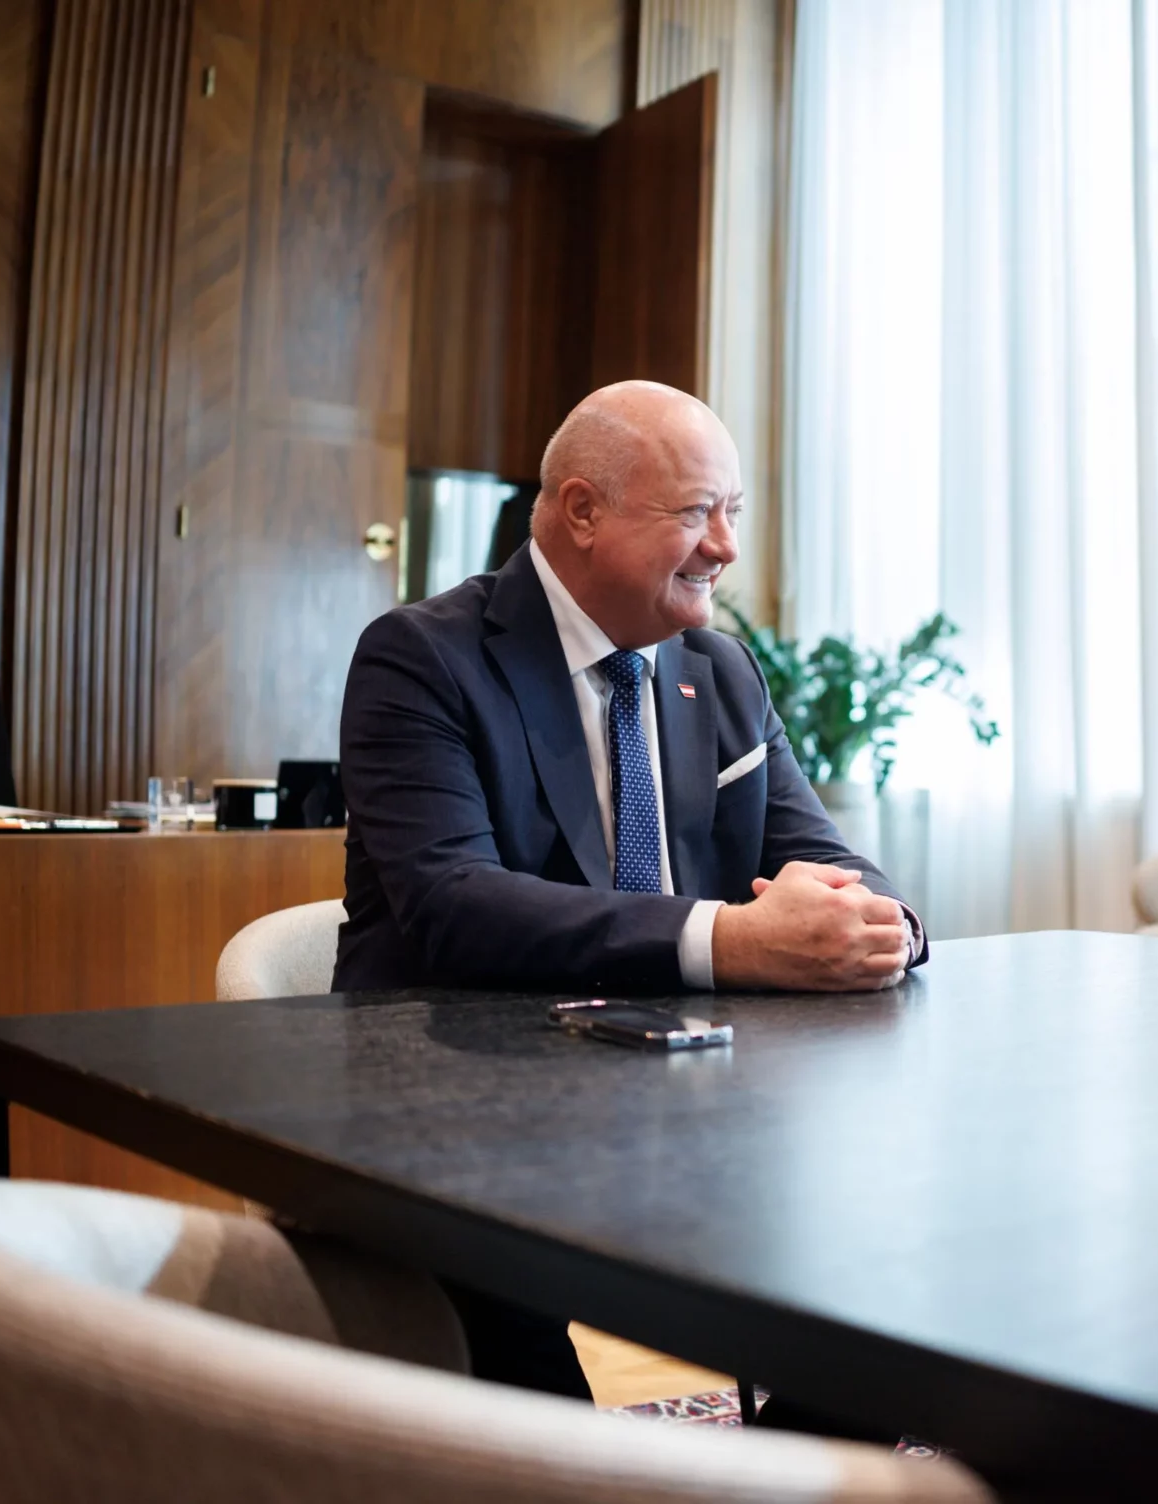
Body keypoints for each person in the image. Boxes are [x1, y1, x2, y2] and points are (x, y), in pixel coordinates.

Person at [335, 380, 926, 1402]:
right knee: (539, 1438)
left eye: (732, 512)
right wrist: (732, 940)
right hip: (460, 1125)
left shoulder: (719, 671)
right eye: (697, 513)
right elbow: (454, 902)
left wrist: (877, 927)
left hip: (688, 1105)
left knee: (885, 1295)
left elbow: (823, 853)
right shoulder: (422, 657)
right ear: (581, 512)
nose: (726, 548)